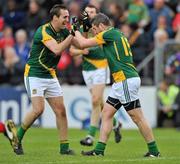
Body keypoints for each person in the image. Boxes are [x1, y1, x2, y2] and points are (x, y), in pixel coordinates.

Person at [73, 13, 160, 157]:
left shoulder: (107, 34)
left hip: (125, 79)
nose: (94, 32)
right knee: (106, 114)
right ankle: (99, 151)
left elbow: (82, 44)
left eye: (95, 29)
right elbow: (87, 45)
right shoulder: (115, 33)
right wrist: (83, 29)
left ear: (101, 26)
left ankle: (154, 151)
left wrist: (75, 29)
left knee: (137, 117)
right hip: (122, 80)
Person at [12, 4, 77, 155]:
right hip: (34, 73)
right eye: (64, 17)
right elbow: (57, 49)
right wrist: (73, 33)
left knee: (61, 111)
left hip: (50, 74)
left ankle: (64, 148)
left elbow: (78, 42)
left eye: (68, 17)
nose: (67, 20)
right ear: (55, 17)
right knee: (38, 110)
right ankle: (17, 137)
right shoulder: (43, 31)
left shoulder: (64, 31)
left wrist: (83, 30)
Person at [70, 4, 122, 146]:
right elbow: (72, 50)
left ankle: (90, 136)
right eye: (87, 12)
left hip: (101, 65)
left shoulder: (100, 29)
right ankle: (116, 123)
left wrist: (84, 43)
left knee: (95, 100)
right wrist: (82, 51)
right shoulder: (83, 29)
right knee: (99, 102)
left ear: (97, 14)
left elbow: (88, 43)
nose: (90, 14)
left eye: (92, 12)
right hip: (87, 68)